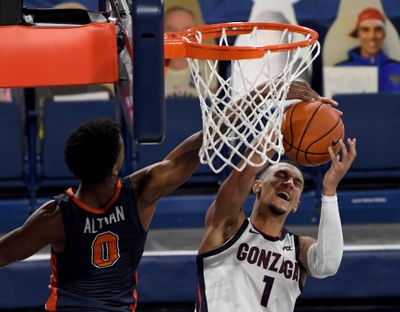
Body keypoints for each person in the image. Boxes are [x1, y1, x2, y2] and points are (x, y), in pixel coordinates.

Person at [0, 80, 329, 311]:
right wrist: (263, 94)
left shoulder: (55, 217)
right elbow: (207, 140)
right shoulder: (139, 193)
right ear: (115, 168)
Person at [196, 130, 357, 310]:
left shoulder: (299, 248)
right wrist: (280, 124)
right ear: (257, 186)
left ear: (296, 204)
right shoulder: (229, 225)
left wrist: (329, 191)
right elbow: (248, 168)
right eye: (281, 175)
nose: (289, 183)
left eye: (297, 183)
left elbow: (328, 265)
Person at [336, 7, 400, 92]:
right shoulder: (338, 71)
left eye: (377, 29)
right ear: (358, 34)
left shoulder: (397, 68)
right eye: (365, 30)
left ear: (384, 34)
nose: (372, 36)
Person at [164, 1, 218, 98]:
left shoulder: (208, 69)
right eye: (172, 29)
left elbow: (212, 108)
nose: (180, 36)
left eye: (186, 30)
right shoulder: (147, 71)